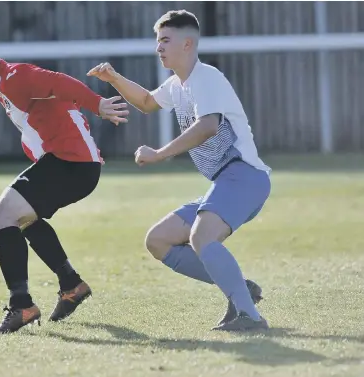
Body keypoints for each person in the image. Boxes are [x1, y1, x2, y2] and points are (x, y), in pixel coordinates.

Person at [87, 10, 271, 331]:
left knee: (201, 238)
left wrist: (159, 153)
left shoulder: (206, 78)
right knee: (158, 240)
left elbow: (208, 126)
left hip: (245, 176)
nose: (158, 48)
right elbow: (145, 101)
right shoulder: (177, 85)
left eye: (165, 40)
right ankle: (240, 289)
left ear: (187, 44)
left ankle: (249, 317)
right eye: (157, 41)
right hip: (225, 182)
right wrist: (114, 79)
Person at [0, 35, 129, 334]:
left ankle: (21, 305)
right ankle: (72, 285)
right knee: (22, 221)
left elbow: (61, 83)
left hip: (71, 163)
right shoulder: (4, 89)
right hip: (73, 163)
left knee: (0, 216)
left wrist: (98, 104)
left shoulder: (14, 77)